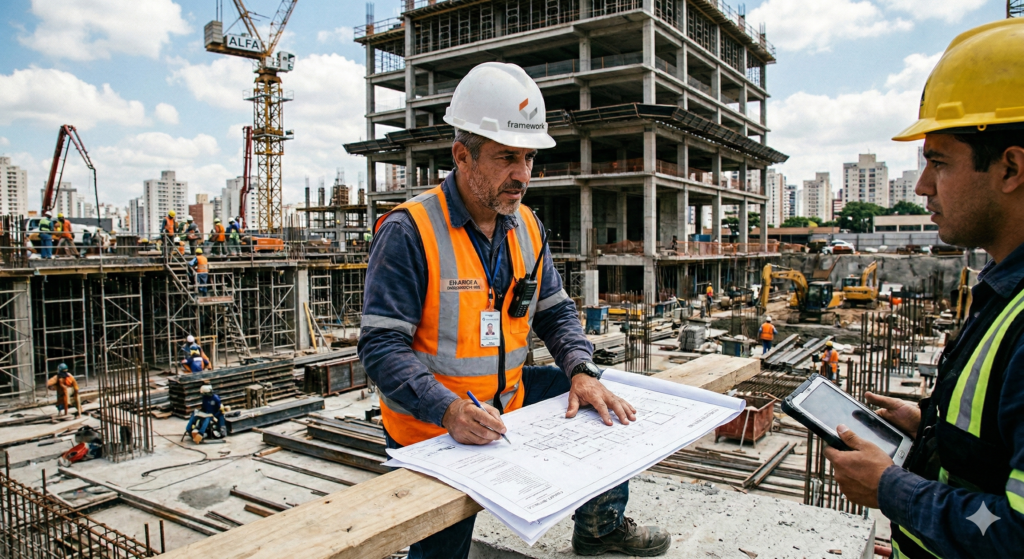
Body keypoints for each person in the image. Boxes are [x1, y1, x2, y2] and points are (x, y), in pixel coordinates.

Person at [357, 62, 670, 559]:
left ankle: (600, 528)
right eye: (507, 158)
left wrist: (582, 371)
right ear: (462, 155)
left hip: (509, 399)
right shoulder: (410, 230)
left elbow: (555, 312)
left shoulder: (527, 225)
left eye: (528, 158)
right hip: (432, 427)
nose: (522, 175)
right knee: (442, 553)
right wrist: (448, 409)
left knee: (607, 401)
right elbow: (380, 346)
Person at [824, 18, 1024, 557]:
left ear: (1011, 168)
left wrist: (893, 488)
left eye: (938, 162)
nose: (921, 186)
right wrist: (933, 431)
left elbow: (1017, 535)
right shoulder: (1005, 292)